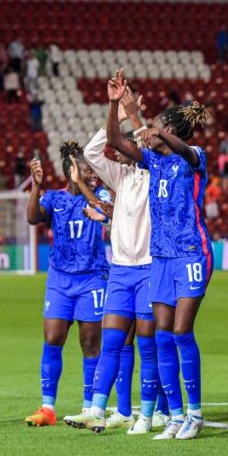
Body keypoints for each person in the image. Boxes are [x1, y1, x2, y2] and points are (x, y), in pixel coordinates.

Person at [105, 70, 213, 441]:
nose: (150, 133)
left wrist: (153, 129)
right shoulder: (154, 162)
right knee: (163, 336)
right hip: (161, 257)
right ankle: (176, 416)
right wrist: (118, 106)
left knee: (182, 330)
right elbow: (114, 139)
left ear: (172, 130)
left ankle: (195, 414)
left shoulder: (194, 156)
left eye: (159, 128)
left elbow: (179, 147)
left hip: (192, 252)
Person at [62, 89, 168, 435]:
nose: (119, 152)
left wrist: (136, 120)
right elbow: (93, 150)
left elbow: (144, 150)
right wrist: (117, 110)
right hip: (121, 271)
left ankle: (149, 414)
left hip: (151, 268)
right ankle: (96, 410)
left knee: (148, 344)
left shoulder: (159, 175)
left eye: (126, 147)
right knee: (111, 342)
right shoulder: (120, 178)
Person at [24, 143, 110, 428]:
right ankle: (48, 407)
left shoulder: (101, 195)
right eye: (88, 169)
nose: (94, 173)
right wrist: (36, 187)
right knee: (52, 339)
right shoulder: (54, 199)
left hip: (92, 278)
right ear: (72, 172)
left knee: (89, 343)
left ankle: (89, 406)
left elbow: (104, 211)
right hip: (60, 280)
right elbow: (33, 218)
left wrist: (82, 184)